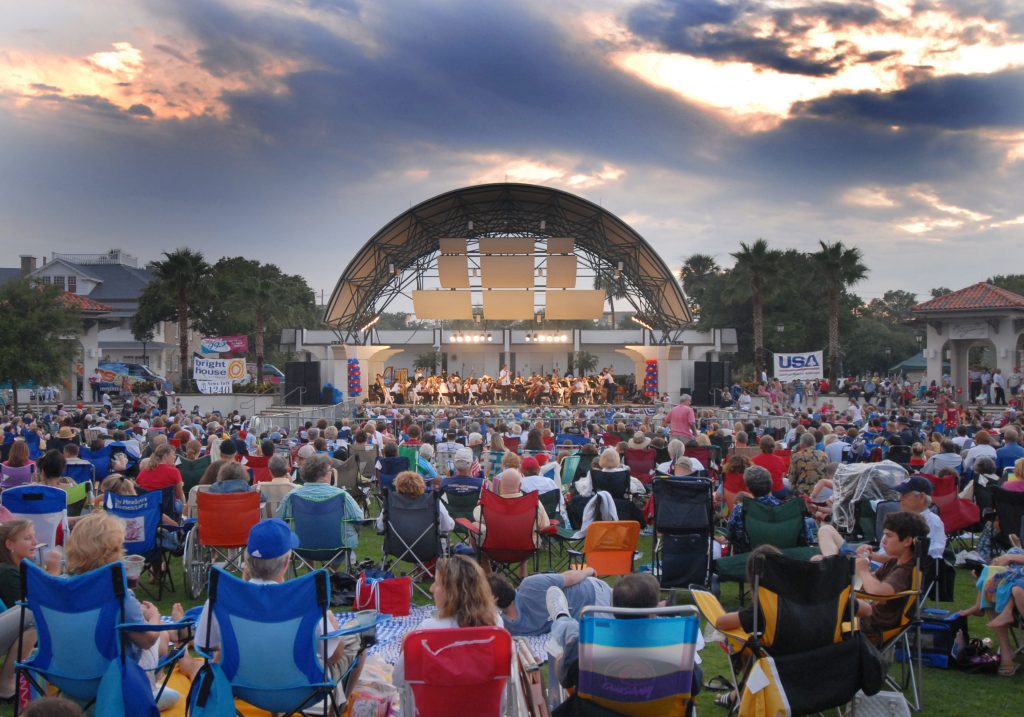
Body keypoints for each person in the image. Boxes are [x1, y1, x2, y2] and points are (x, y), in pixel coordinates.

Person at [182, 519, 361, 703]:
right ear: (285, 563)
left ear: (247, 561)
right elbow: (334, 655)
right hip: (302, 691)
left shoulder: (224, 598)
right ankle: (337, 708)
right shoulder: (302, 603)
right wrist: (333, 624)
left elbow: (205, 645)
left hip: (241, 687)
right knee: (358, 634)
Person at [546, 572, 704, 699]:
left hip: (600, 710)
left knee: (569, 634)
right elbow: (695, 686)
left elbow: (565, 678)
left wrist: (561, 659)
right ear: (653, 611)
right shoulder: (675, 650)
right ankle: (563, 619)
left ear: (613, 607)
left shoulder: (586, 647)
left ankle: (562, 617)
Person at [487, 566, 612, 636]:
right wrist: (588, 570)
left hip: (586, 617)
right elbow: (570, 578)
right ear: (507, 584)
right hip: (592, 594)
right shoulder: (530, 585)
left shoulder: (507, 627)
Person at [278, 454, 364, 550]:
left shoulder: (291, 496)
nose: (331, 472)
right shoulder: (342, 495)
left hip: (301, 546)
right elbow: (359, 517)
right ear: (325, 474)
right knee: (353, 528)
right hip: (338, 546)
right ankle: (333, 565)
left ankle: (310, 564)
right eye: (330, 470)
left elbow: (279, 518)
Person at [136, 443, 186, 507]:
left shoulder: (143, 472)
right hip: (167, 508)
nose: (175, 456)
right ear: (165, 456)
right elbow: (179, 494)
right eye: (173, 454)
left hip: (147, 508)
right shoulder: (174, 472)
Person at [787, 432, 830, 496]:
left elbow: (792, 478)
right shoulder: (824, 455)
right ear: (814, 443)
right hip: (821, 490)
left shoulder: (797, 456)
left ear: (802, 444)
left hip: (803, 492)